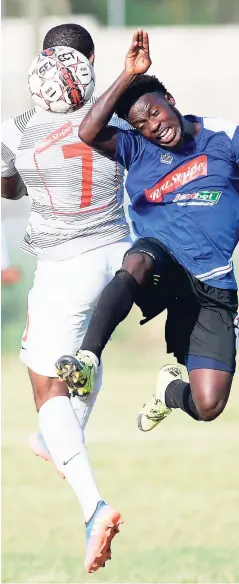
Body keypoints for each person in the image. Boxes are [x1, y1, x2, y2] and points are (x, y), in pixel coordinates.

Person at [56, 29, 239, 434]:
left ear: (171, 103)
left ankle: (169, 392)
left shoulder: (222, 137)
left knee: (209, 404)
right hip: (163, 263)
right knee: (137, 257)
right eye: (141, 124)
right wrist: (128, 74)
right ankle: (87, 358)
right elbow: (87, 132)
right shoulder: (136, 148)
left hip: (212, 283)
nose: (153, 126)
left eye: (155, 114)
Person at [1, 23, 133, 573]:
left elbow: (6, 186)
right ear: (90, 61)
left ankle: (93, 506)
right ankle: (58, 441)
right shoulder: (116, 117)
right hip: (121, 257)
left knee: (44, 383)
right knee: (84, 358)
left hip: (65, 264)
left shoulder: (18, 128)